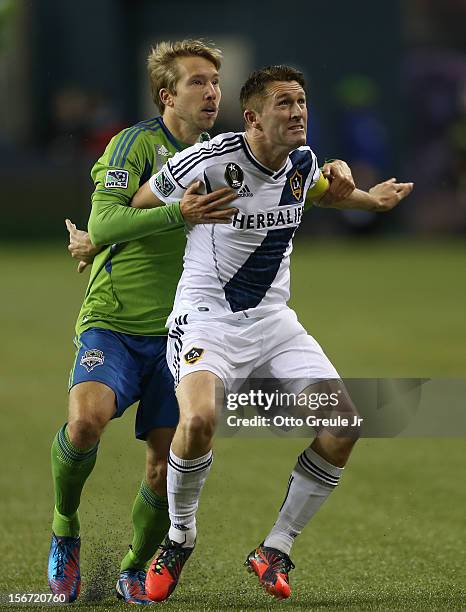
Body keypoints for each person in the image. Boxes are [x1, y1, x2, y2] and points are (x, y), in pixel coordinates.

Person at [130, 64, 413, 602]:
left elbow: (319, 192)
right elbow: (142, 203)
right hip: (207, 318)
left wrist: (369, 200)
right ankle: (179, 537)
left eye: (302, 101)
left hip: (275, 323)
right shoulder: (208, 161)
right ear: (254, 118)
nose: (298, 111)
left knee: (344, 426)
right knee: (200, 418)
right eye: (285, 103)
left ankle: (275, 548)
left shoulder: (302, 161)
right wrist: (117, 235)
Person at [47, 39, 240, 606]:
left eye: (214, 82)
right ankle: (65, 528)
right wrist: (172, 213)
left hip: (184, 334)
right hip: (113, 317)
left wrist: (341, 184)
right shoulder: (134, 145)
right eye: (197, 82)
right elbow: (104, 223)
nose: (211, 92)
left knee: (164, 466)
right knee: (86, 423)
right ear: (167, 95)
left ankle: (133, 567)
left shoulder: (222, 154)